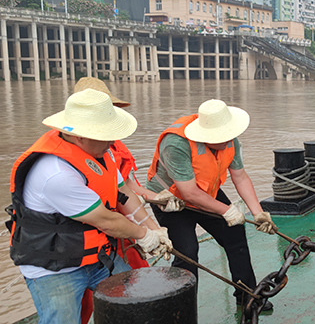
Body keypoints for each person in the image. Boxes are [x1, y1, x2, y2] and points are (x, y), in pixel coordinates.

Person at [6, 89, 173, 324]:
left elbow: (123, 193)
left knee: (138, 301)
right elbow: (106, 220)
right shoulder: (56, 173)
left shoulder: (101, 154)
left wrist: (153, 228)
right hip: (55, 268)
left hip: (98, 257)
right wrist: (144, 236)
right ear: (80, 136)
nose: (113, 142)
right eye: (106, 135)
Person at [146, 99, 278, 310]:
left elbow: (240, 177)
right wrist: (227, 210)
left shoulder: (230, 141)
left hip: (207, 192)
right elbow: (189, 193)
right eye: (221, 137)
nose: (227, 141)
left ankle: (247, 296)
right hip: (171, 201)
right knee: (187, 253)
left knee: (236, 236)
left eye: (228, 135)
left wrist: (258, 213)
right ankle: (183, 310)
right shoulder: (176, 144)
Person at [73, 77, 181, 323]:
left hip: (117, 230)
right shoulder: (62, 161)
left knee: (133, 282)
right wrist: (146, 233)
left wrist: (156, 212)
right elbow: (107, 211)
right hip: (89, 236)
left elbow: (125, 187)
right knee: (82, 305)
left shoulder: (110, 148)